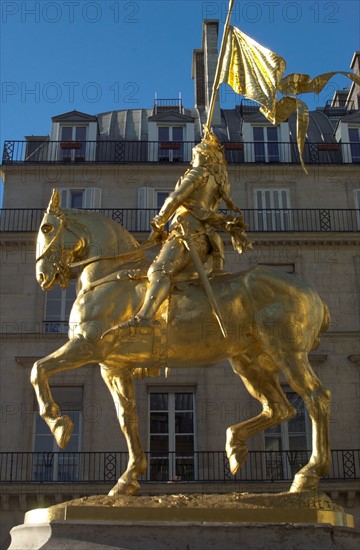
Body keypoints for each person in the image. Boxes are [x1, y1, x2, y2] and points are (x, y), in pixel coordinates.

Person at [113, 127, 249, 331]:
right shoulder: (217, 184)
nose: (192, 158)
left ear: (202, 155)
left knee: (159, 270)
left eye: (195, 154)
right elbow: (207, 213)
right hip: (205, 240)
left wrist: (158, 223)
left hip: (187, 233)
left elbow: (175, 198)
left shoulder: (198, 174)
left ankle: (145, 317)